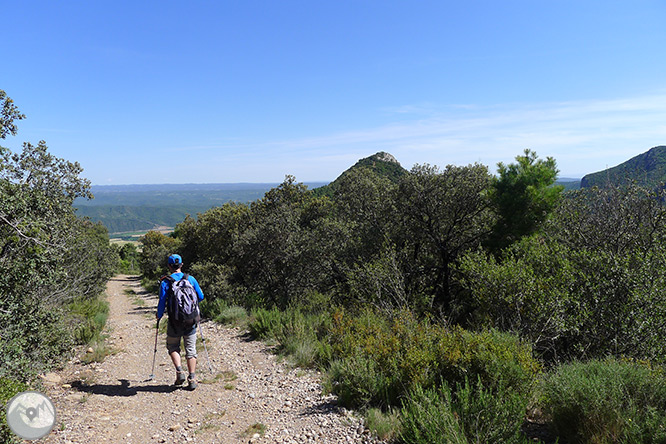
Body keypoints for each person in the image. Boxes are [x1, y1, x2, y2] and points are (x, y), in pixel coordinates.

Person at [157, 254, 205, 390]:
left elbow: (162, 302)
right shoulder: (191, 279)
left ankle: (179, 372)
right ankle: (192, 378)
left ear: (169, 266)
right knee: (191, 349)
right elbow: (200, 296)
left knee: (173, 346)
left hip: (174, 320)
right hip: (191, 319)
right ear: (181, 265)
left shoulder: (166, 282)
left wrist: (159, 316)